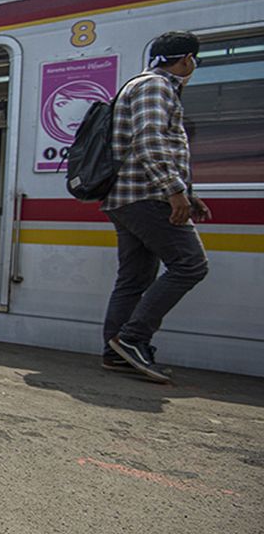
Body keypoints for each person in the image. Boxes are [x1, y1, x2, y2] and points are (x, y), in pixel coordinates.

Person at [102, 31, 210, 382]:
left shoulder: (143, 85)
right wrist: (175, 191)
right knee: (190, 264)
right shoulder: (156, 87)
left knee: (133, 278)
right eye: (194, 60)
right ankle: (132, 339)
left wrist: (187, 195)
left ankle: (115, 353)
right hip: (146, 196)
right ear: (187, 60)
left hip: (128, 197)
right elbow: (150, 140)